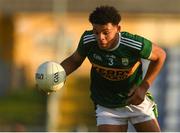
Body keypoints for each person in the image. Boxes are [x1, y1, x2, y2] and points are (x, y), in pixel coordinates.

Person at [60, 6, 166, 132]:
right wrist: (55, 76)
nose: (100, 37)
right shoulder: (88, 40)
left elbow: (160, 55)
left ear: (118, 29)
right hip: (107, 104)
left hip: (135, 101)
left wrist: (143, 87)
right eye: (96, 32)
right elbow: (74, 60)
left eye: (106, 32)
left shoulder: (132, 43)